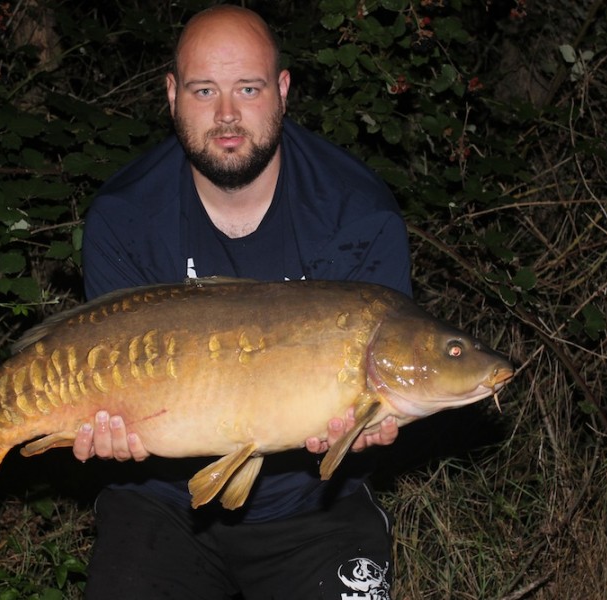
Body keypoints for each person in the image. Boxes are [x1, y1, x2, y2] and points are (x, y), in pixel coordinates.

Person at [75, 5, 411, 599]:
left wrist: (372, 426)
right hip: (160, 505)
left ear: (282, 91)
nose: (227, 115)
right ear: (172, 95)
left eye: (247, 88)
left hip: (315, 508)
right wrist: (100, 422)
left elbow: (389, 383)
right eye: (204, 90)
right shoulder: (125, 217)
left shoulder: (356, 213)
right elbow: (101, 369)